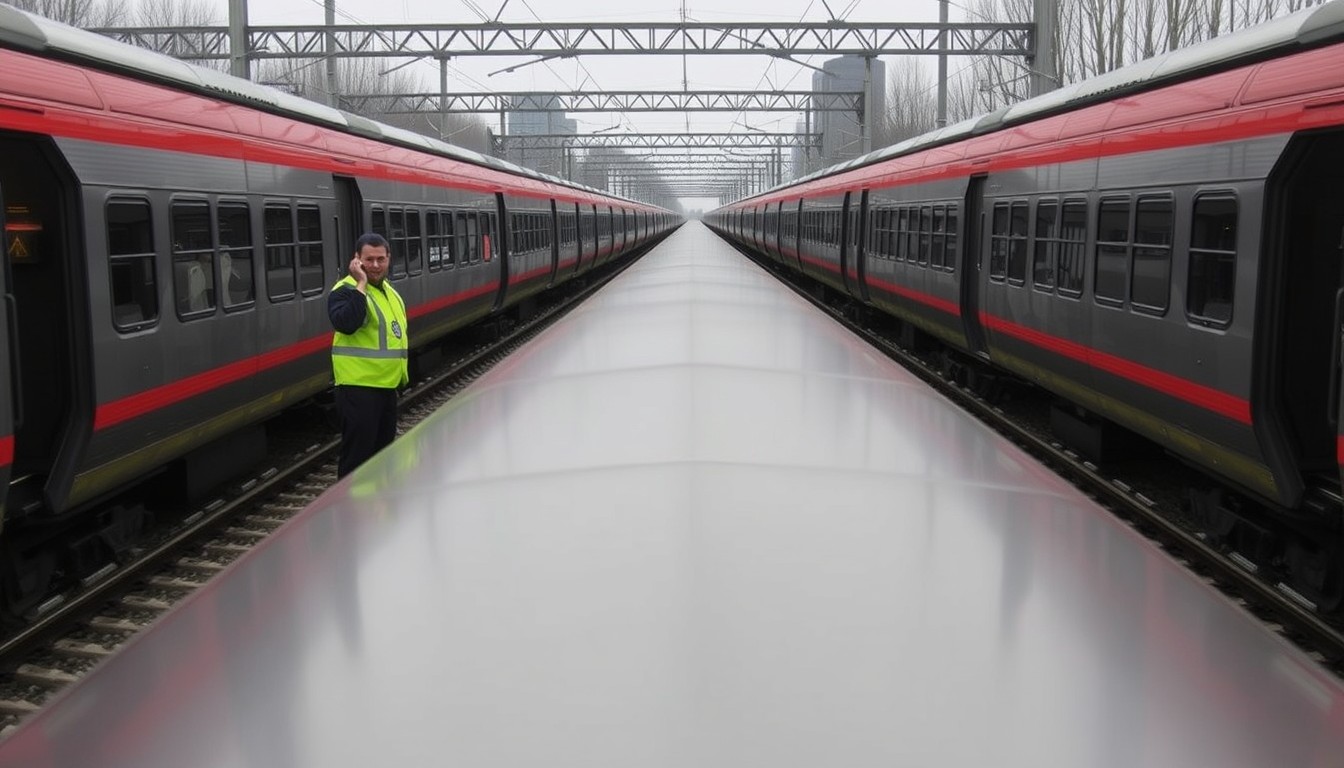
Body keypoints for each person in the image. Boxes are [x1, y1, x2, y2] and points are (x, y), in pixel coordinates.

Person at [328, 233, 409, 478]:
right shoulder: (344, 291)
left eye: (380, 259)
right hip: (358, 388)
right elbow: (346, 323)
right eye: (369, 259)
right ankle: (352, 511)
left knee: (382, 456)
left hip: (386, 388)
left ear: (389, 259)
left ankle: (378, 508)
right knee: (358, 459)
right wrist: (360, 284)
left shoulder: (390, 292)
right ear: (357, 260)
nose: (375, 265)